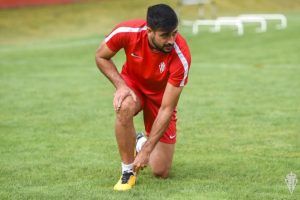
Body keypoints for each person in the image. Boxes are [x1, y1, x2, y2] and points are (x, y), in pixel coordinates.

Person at [95, 4, 191, 191]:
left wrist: (146, 150)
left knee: (160, 171)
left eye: (174, 33)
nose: (171, 40)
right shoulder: (127, 31)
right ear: (149, 31)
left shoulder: (181, 55)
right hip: (134, 87)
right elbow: (101, 56)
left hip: (161, 99)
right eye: (165, 35)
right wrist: (121, 86)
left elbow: (167, 108)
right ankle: (127, 172)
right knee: (124, 106)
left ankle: (140, 141)